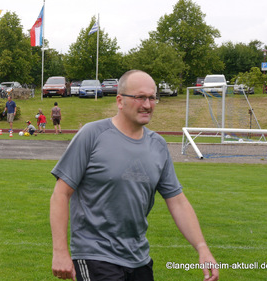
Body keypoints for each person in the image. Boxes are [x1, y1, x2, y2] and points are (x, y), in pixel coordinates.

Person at [50, 70, 219, 281]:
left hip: (139, 259)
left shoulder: (158, 145)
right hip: (94, 256)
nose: (147, 104)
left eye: (151, 97)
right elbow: (61, 194)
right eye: (140, 97)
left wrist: (202, 247)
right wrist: (60, 251)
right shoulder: (92, 135)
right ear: (120, 101)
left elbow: (177, 201)